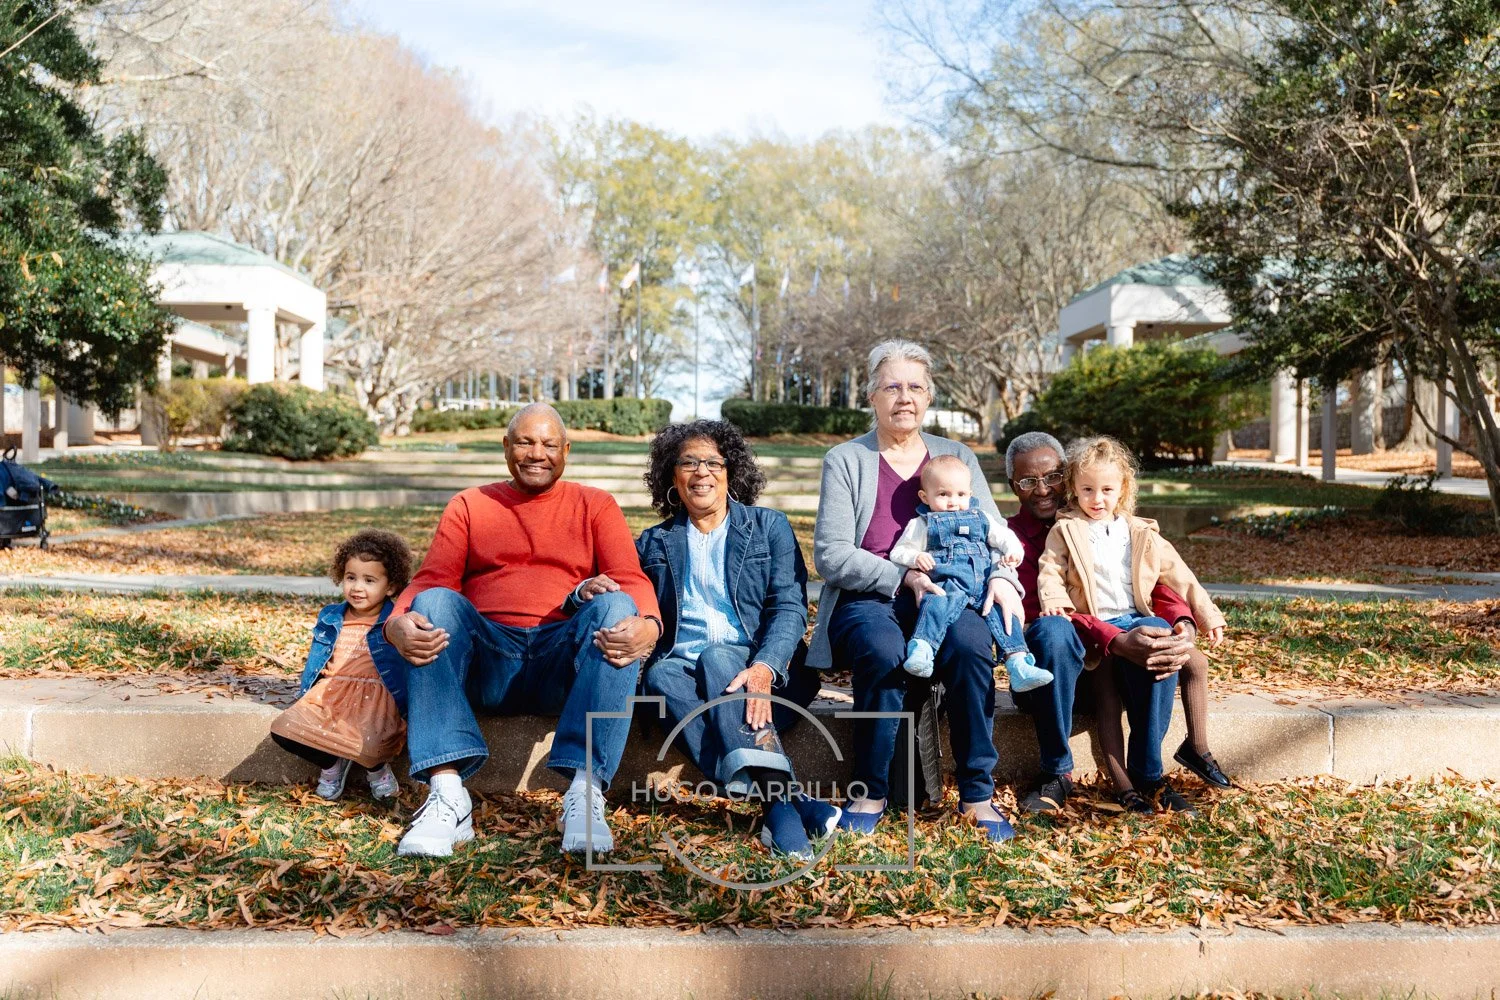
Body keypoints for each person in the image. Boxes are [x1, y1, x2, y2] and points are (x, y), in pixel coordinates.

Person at [381, 403, 661, 858]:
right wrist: (396, 622)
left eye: (549, 444)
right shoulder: (470, 504)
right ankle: (449, 795)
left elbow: (628, 575)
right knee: (432, 604)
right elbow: (434, 577)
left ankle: (585, 794)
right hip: (488, 656)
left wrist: (649, 625)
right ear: (506, 447)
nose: (537, 453)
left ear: (566, 451)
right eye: (525, 442)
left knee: (617, 605)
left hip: (561, 661)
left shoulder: (595, 505)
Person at [576, 420, 841, 859]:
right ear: (671, 478)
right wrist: (588, 588)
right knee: (660, 676)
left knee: (720, 657)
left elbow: (790, 608)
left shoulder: (768, 527)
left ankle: (778, 810)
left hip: (772, 674)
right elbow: (624, 586)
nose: (701, 472)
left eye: (712, 463)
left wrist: (764, 667)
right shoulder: (655, 542)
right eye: (688, 463)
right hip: (684, 680)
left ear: (730, 472)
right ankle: (789, 801)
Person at [810, 339, 1025, 842]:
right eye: (891, 387)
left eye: (914, 387)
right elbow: (831, 555)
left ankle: (977, 793)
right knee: (883, 651)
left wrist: (1000, 577)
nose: (903, 397)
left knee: (973, 647)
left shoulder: (957, 457)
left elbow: (995, 535)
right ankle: (871, 791)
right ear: (872, 396)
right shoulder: (846, 459)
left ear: (929, 397)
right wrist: (901, 576)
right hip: (870, 598)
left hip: (952, 596)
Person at [1006, 431, 1231, 817]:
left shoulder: (1127, 528)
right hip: (1056, 677)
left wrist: (1184, 621)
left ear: (1067, 475)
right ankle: (1056, 772)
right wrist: (1116, 638)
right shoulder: (1012, 540)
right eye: (1028, 481)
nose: (1043, 489)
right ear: (1013, 486)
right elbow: (1038, 604)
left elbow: (1160, 578)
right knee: (1052, 629)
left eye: (1053, 477)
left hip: (1121, 662)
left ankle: (1150, 774)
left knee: (1159, 637)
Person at [270, 529, 413, 801]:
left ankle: (377, 769)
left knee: (372, 745)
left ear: (391, 586)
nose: (357, 587)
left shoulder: (394, 619)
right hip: (331, 694)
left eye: (369, 580)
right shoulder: (331, 616)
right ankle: (332, 764)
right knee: (283, 730)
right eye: (351, 577)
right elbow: (319, 657)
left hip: (375, 700)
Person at [889, 454, 1051, 692]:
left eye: (961, 495)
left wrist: (1013, 552)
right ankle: (922, 650)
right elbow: (899, 551)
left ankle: (1019, 663)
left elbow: (1005, 538)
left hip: (984, 584)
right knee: (934, 606)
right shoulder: (923, 523)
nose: (953, 502)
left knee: (1004, 614)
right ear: (925, 496)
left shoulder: (982, 518)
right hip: (948, 584)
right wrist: (914, 557)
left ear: (970, 494)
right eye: (943, 494)